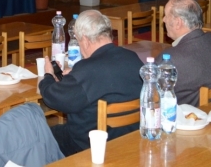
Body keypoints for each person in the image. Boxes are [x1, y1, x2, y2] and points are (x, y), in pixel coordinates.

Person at [39, 10, 142, 156]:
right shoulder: (132, 57)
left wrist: (48, 76)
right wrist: (75, 76)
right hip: (129, 140)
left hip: (89, 145)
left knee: (40, 137)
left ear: (86, 40)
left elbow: (53, 98)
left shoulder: (86, 70)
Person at [161, 0, 211, 106]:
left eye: (166, 16)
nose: (163, 20)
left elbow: (154, 97)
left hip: (193, 114)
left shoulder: (169, 60)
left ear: (178, 23)